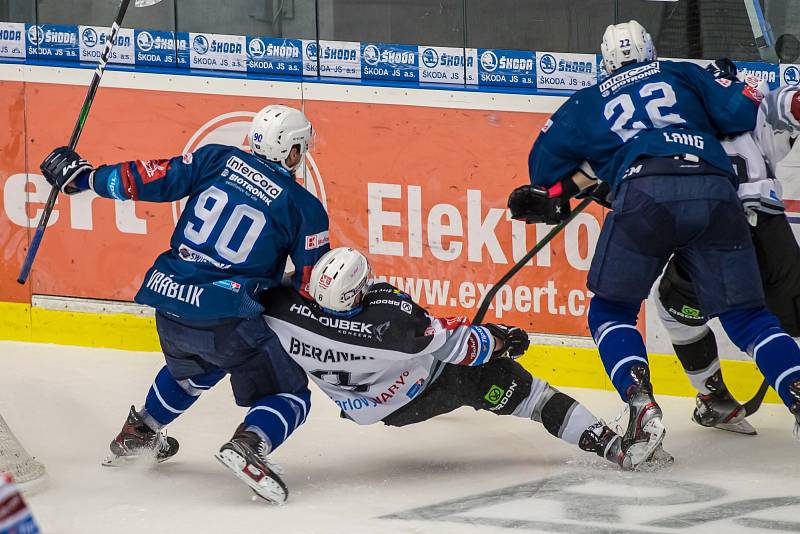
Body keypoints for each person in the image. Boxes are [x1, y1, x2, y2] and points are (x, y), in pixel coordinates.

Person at [507, 20, 800, 467]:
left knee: (611, 310)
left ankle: (641, 404)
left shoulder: (588, 100)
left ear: (604, 63)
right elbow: (740, 113)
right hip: (715, 191)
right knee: (748, 317)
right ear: (651, 53)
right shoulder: (681, 74)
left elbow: (542, 173)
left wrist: (570, 182)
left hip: (645, 192)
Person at [39, 104, 329, 504]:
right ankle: (250, 443)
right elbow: (314, 289)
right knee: (290, 393)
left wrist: (84, 179)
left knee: (196, 367)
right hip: (226, 317)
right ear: (292, 152)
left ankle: (139, 432)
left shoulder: (215, 158)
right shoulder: (305, 208)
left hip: (169, 302)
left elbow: (147, 178)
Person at [259, 246, 664, 489]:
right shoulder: (391, 322)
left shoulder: (281, 310)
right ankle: (613, 447)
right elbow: (460, 347)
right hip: (437, 382)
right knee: (534, 398)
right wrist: (503, 338)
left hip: (378, 411)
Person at [653, 60, 800, 435]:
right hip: (771, 230)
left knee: (675, 307)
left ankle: (714, 399)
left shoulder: (668, 114)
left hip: (716, 233)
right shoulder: (747, 101)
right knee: (784, 322)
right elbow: (789, 107)